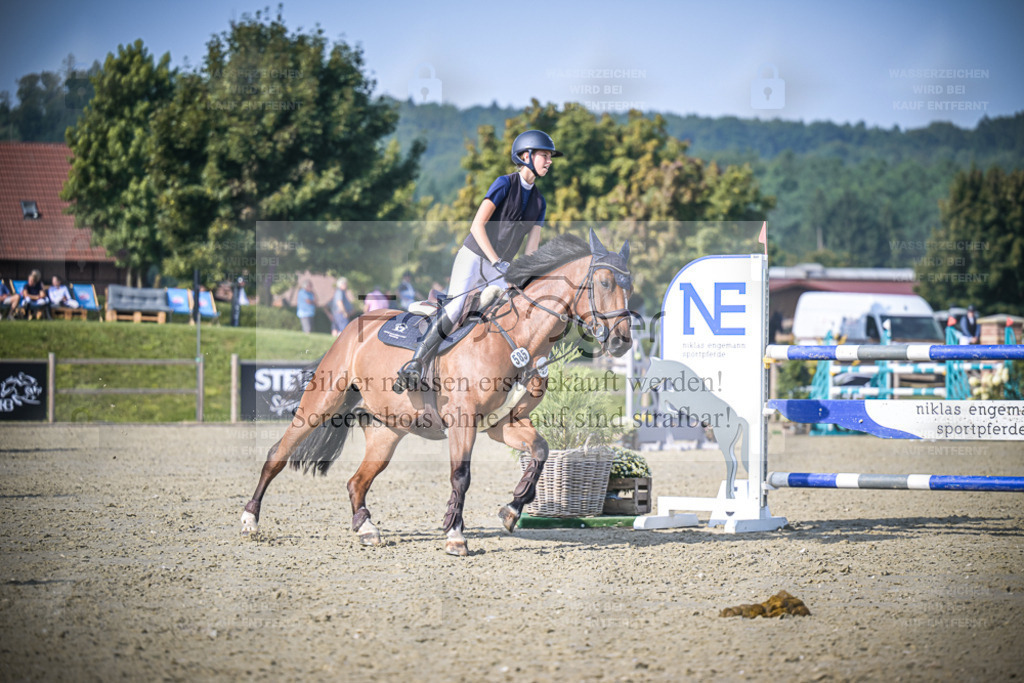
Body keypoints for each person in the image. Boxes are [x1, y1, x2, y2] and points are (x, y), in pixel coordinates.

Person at [393, 129, 561, 393]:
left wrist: (527, 277)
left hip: (501, 269)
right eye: (544, 155)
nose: (549, 161)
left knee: (516, 311)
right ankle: (415, 363)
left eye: (550, 156)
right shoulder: (504, 183)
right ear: (525, 156)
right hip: (474, 257)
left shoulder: (539, 202)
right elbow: (476, 226)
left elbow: (532, 247)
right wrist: (496, 261)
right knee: (458, 305)